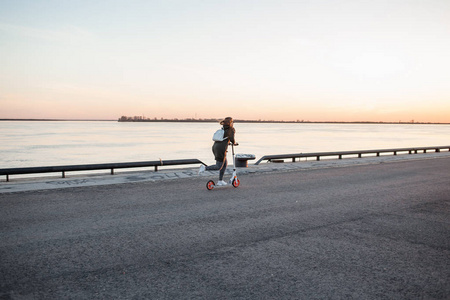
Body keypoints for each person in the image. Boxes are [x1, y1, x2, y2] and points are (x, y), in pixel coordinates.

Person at [199, 117, 237, 186]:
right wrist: (234, 143)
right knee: (219, 166)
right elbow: (231, 138)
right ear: (230, 123)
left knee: (224, 164)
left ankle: (220, 181)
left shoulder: (223, 128)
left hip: (215, 147)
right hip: (221, 149)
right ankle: (204, 168)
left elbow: (224, 138)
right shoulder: (231, 129)